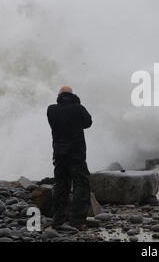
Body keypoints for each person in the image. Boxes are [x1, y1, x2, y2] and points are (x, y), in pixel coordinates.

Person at [47, 86, 93, 229]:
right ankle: (77, 220)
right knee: (81, 185)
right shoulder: (78, 108)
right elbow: (88, 123)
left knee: (61, 185)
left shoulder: (51, 110)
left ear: (59, 95)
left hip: (59, 155)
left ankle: (58, 219)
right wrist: (77, 103)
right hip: (76, 154)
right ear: (72, 95)